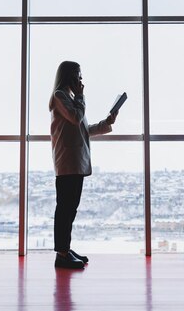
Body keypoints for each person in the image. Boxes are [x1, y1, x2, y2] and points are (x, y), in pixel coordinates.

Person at [49, 61, 117, 269]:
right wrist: (80, 96)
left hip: (76, 162)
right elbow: (76, 118)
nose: (81, 80)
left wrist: (107, 123)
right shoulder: (60, 96)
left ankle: (65, 249)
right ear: (68, 76)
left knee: (70, 209)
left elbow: (84, 128)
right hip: (68, 162)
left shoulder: (69, 98)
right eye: (78, 75)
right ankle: (61, 254)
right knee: (65, 209)